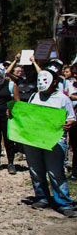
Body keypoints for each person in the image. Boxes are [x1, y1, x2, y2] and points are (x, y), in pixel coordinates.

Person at [22, 70, 75, 218]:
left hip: (55, 141)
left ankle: (64, 203)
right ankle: (42, 197)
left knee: (56, 172)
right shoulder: (34, 96)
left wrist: (69, 124)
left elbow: (71, 118)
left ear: (54, 82)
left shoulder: (63, 99)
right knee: (36, 170)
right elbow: (27, 115)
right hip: (34, 139)